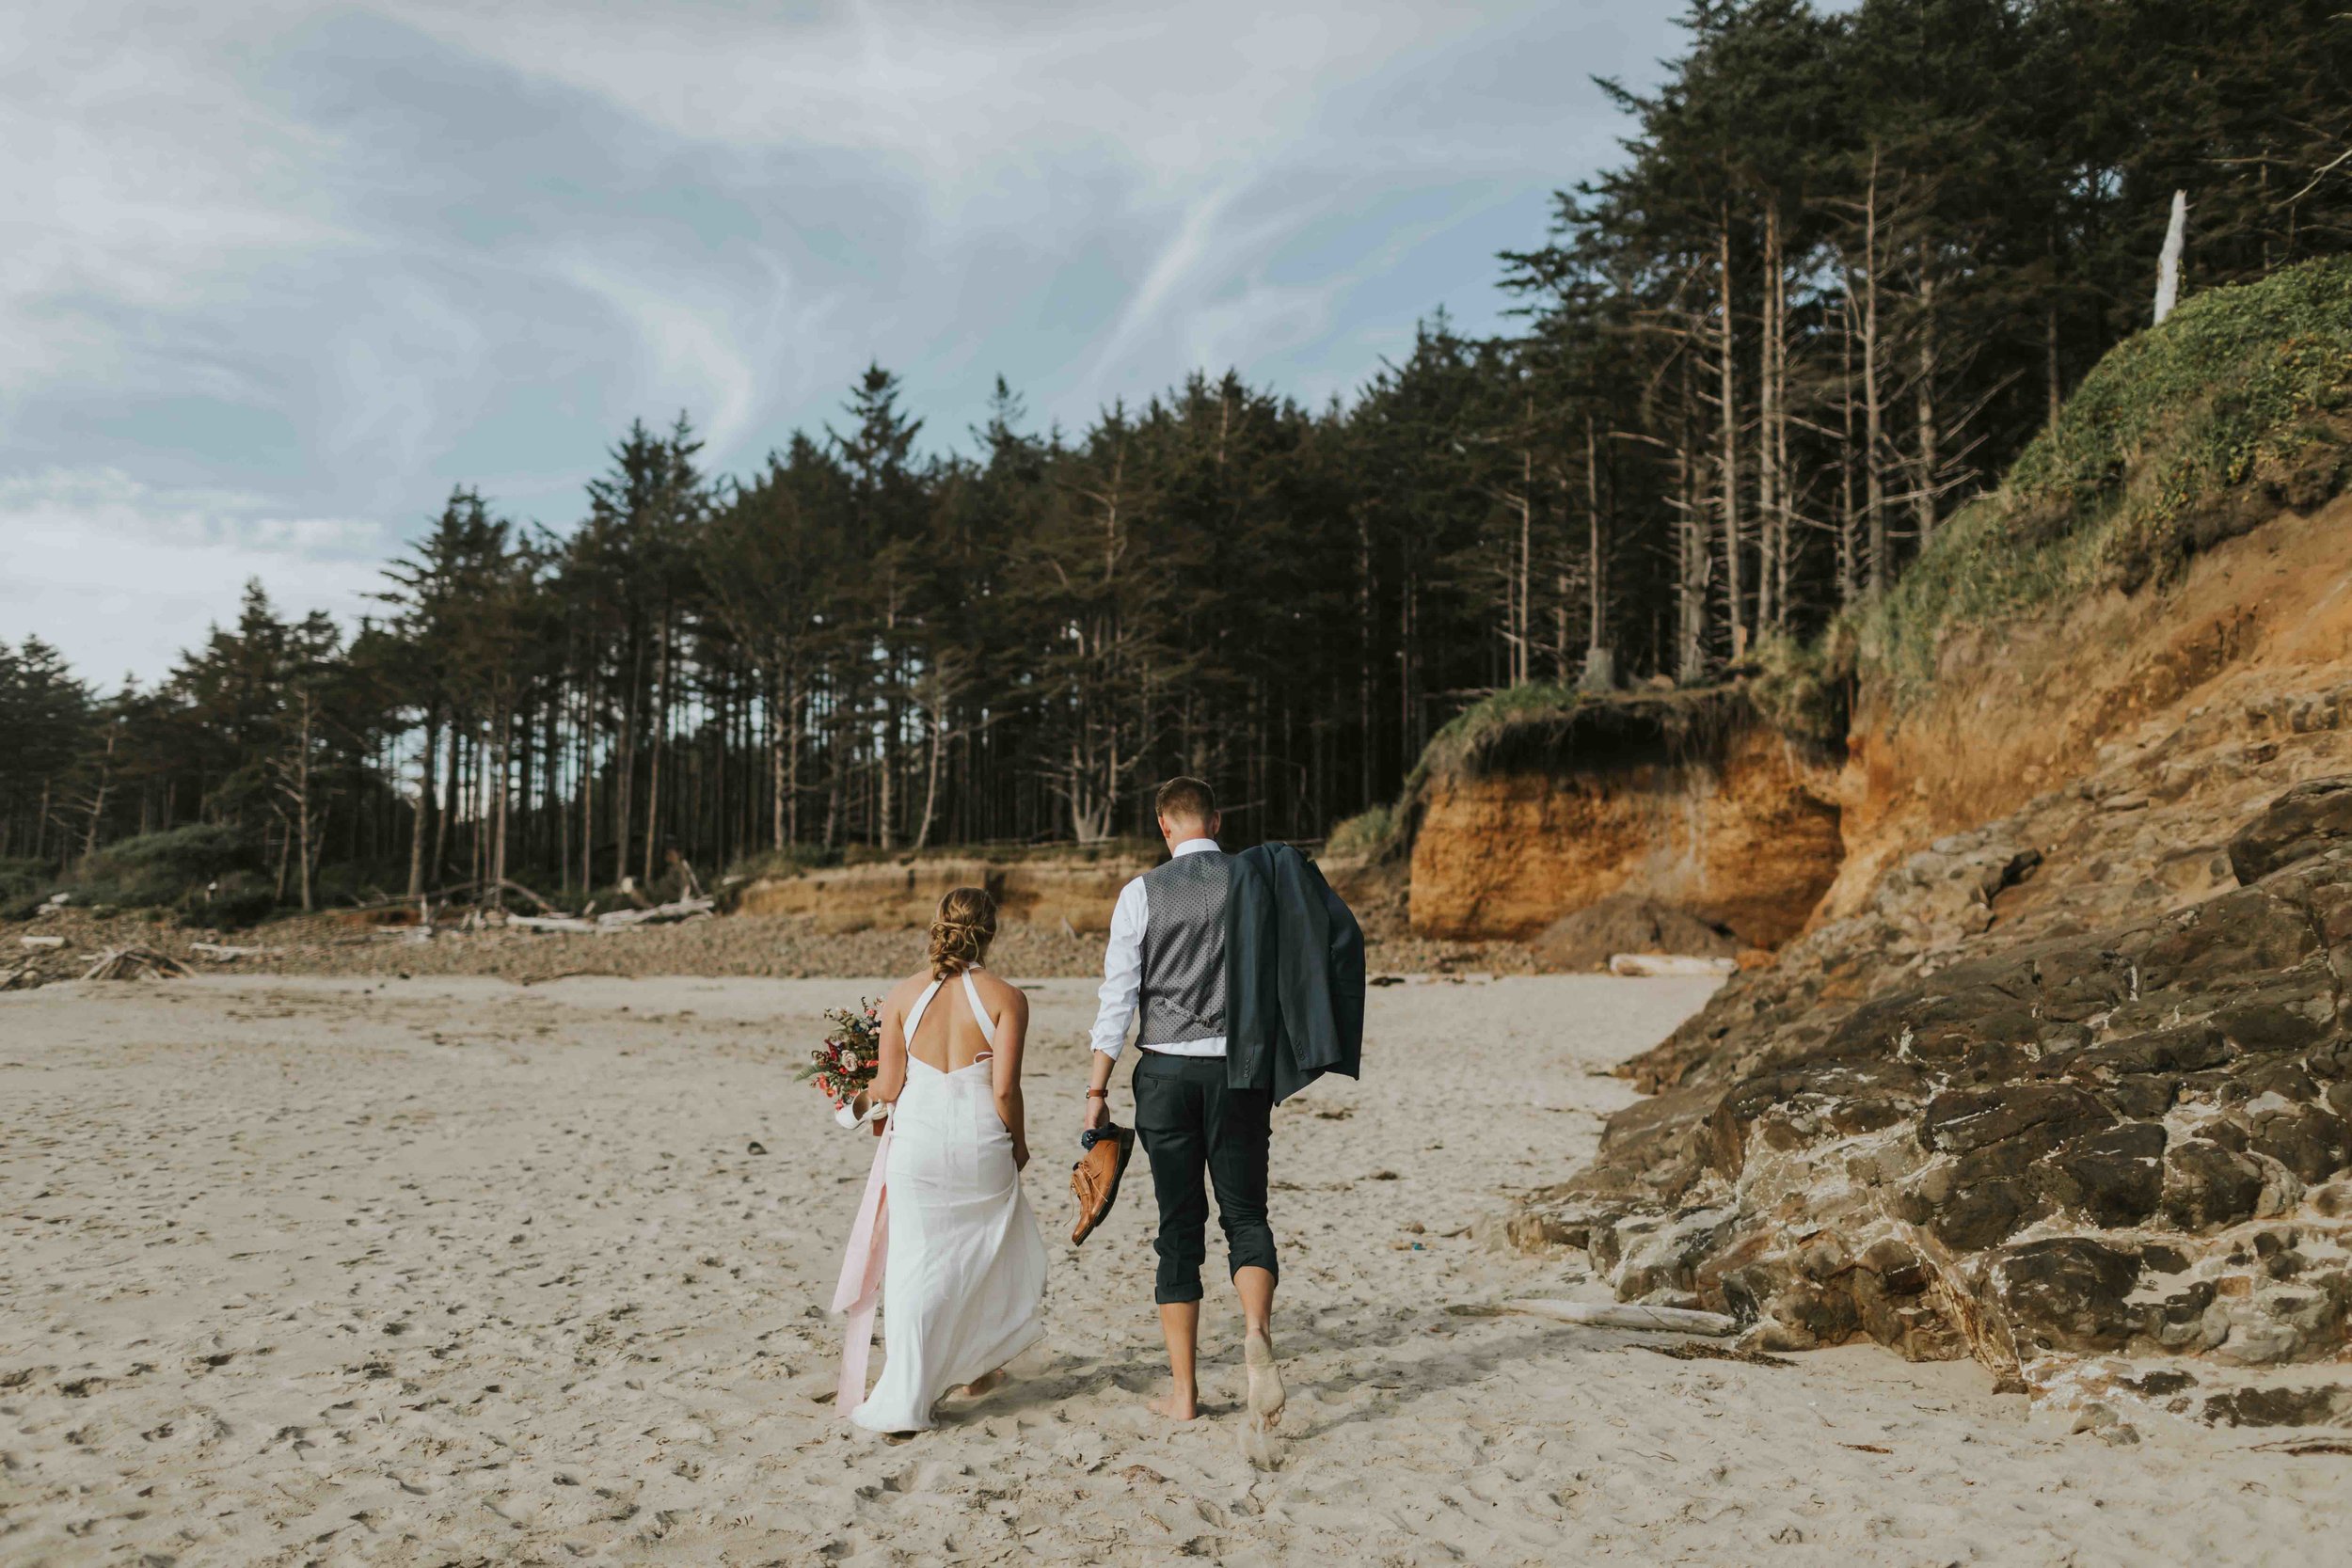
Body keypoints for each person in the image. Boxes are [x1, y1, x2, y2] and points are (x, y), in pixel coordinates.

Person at [1082, 777, 1284, 1426]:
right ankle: (1255, 1329)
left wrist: (1096, 1089)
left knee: (1178, 1231)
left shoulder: (1140, 892)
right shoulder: (1254, 881)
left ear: (1164, 825)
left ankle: (1185, 1394)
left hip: (1167, 1072)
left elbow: (1118, 998)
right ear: (1217, 821)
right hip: (1241, 1071)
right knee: (1246, 1214)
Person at [844, 887, 1047, 1433]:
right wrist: (1018, 1143)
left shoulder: (903, 997)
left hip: (919, 1145)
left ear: (938, 927)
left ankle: (909, 1393)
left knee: (914, 1266)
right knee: (987, 1254)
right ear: (991, 932)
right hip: (981, 1142)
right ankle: (977, 1366)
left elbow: (888, 1085)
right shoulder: (1009, 997)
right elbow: (1004, 1090)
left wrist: (856, 1107)